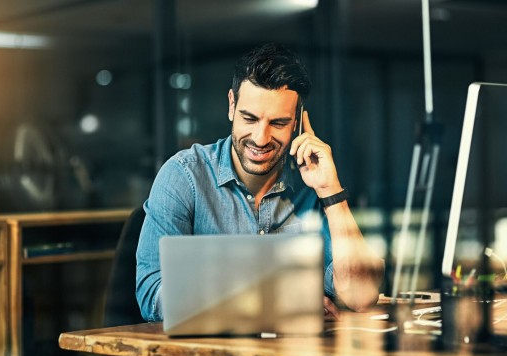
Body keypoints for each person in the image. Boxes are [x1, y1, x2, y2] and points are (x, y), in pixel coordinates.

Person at [136, 42, 384, 322]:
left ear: (297, 123)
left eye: (278, 123)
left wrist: (330, 192)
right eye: (249, 118)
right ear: (232, 105)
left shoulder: (312, 186)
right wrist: (280, 300)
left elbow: (361, 296)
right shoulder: (184, 176)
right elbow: (153, 297)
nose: (261, 138)